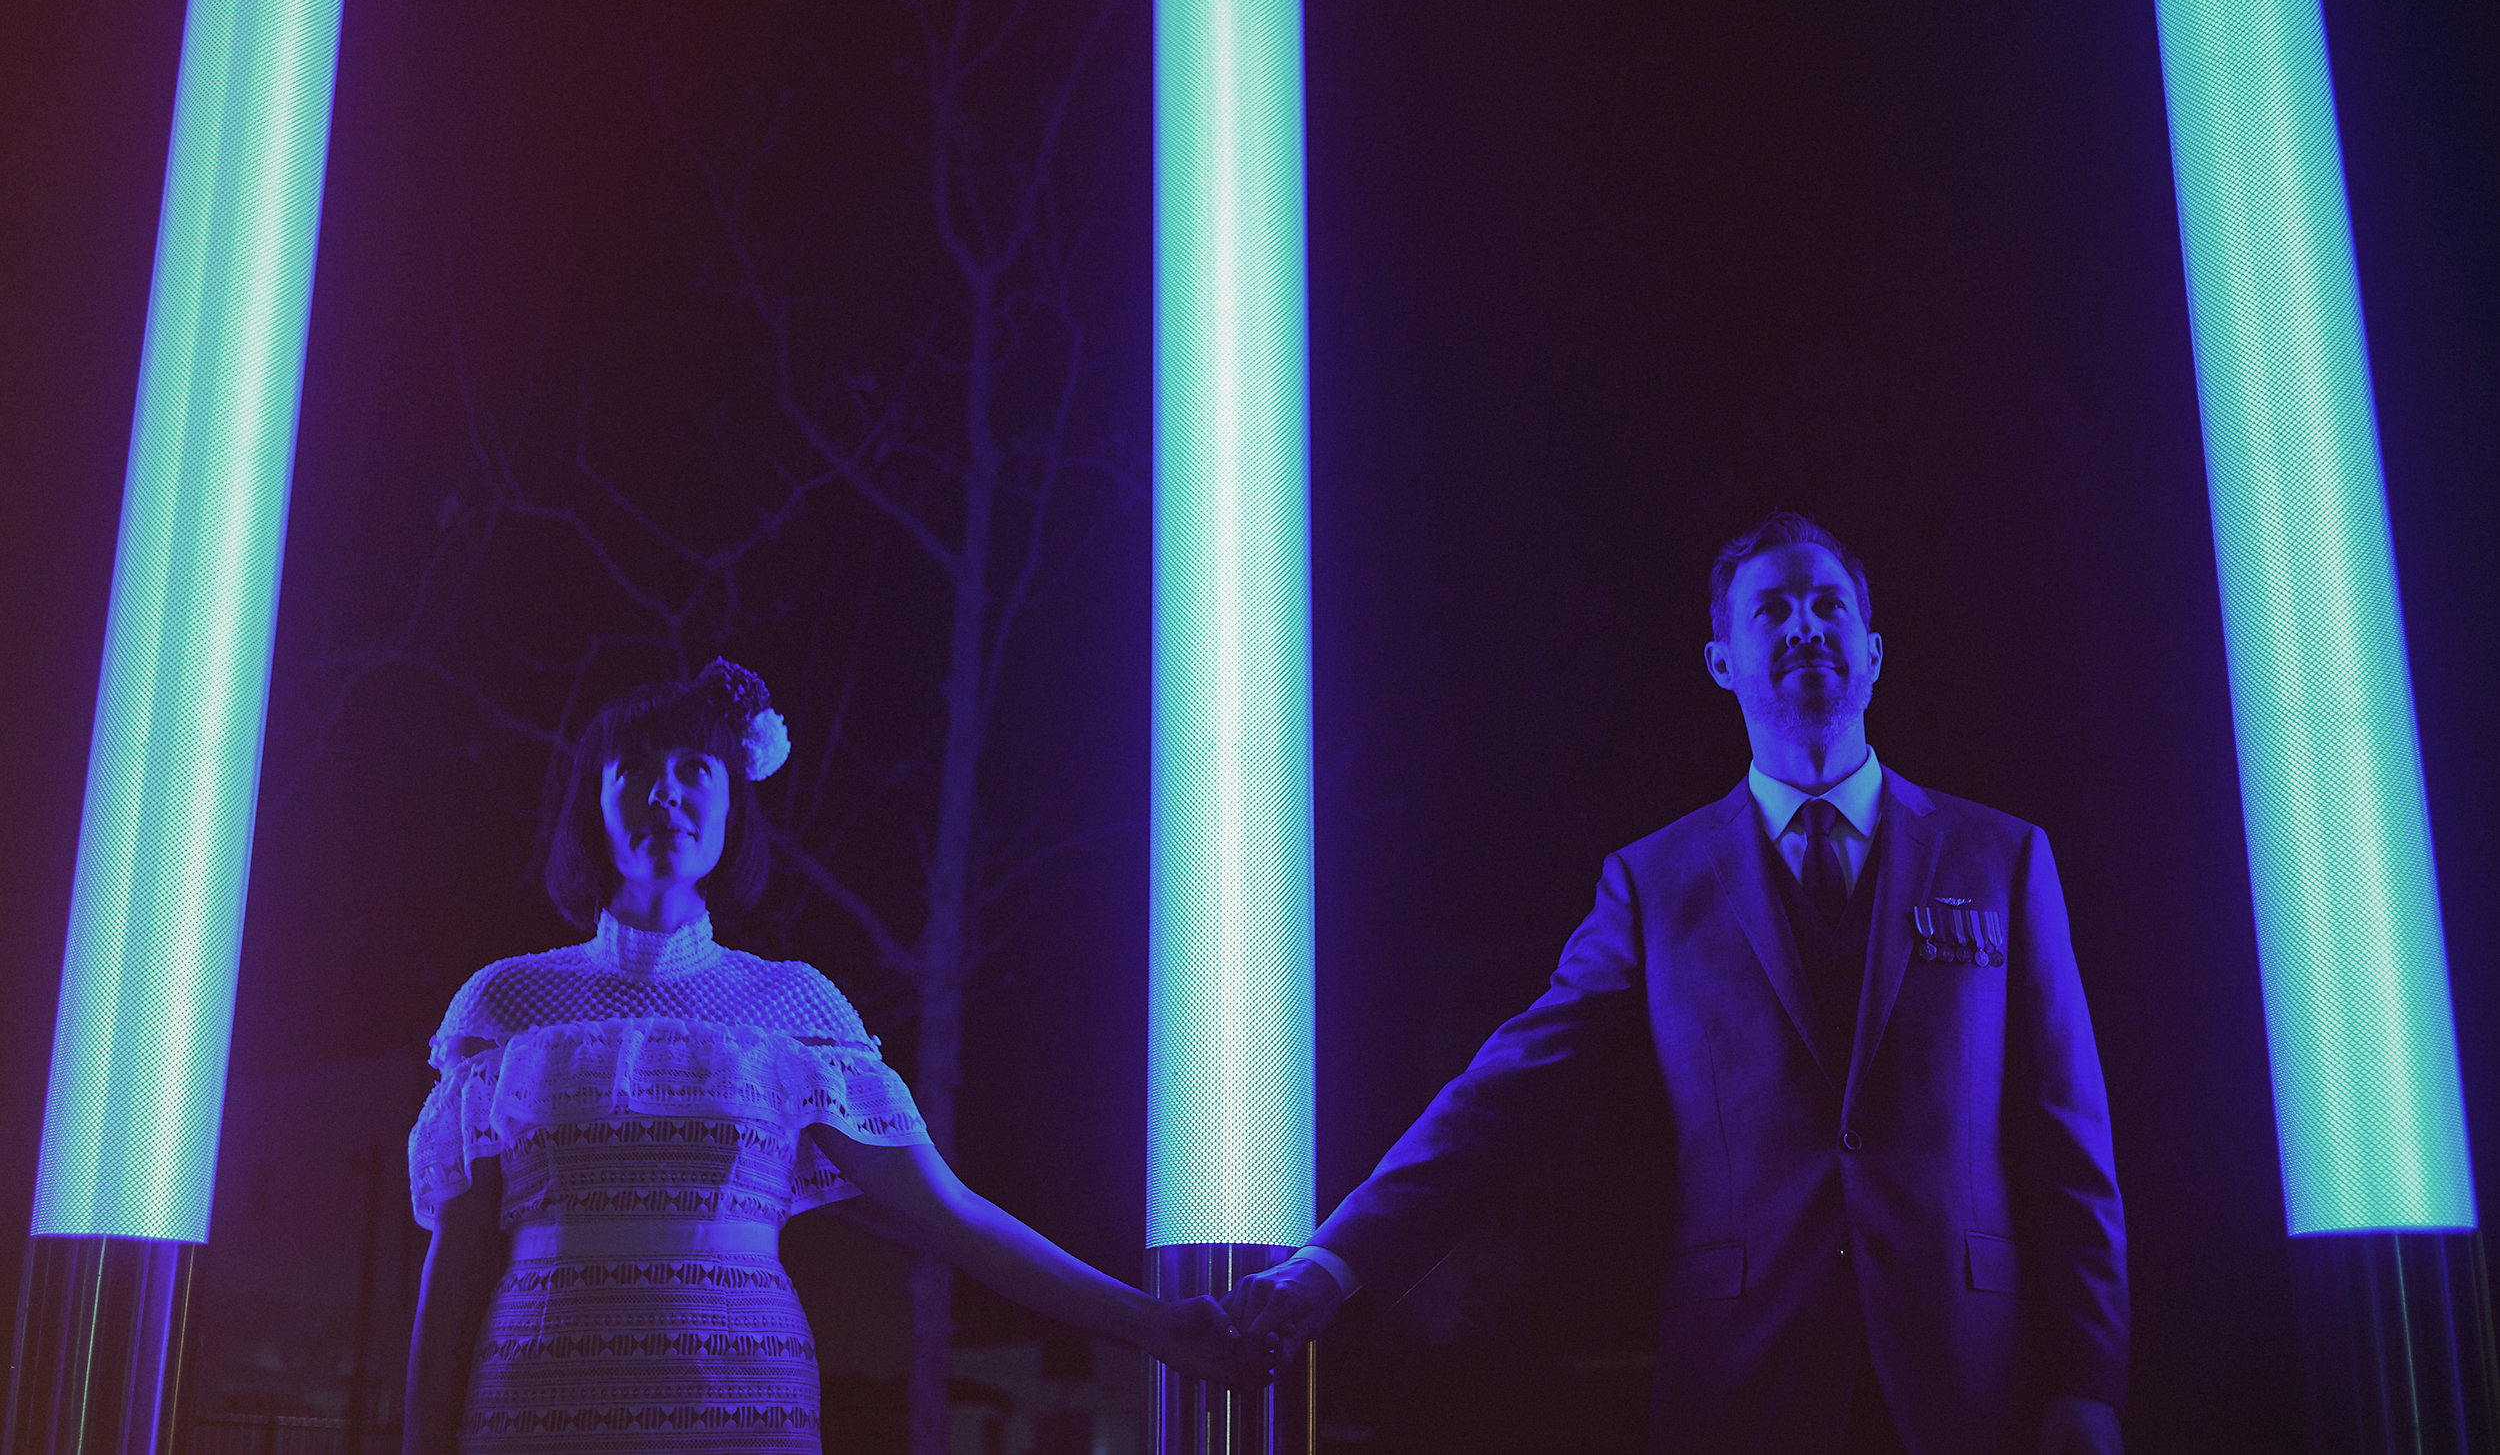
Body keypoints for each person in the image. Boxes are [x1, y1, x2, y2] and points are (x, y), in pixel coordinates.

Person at [1226, 514, 2127, 1455]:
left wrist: (2091, 1382)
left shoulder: (2002, 859)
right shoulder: (1655, 886)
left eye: (1828, 605)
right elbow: (1506, 1094)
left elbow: (2069, 1141)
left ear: (1873, 651)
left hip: (1976, 1379)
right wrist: (1336, 1263)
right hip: (1743, 1386)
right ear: (1722, 662)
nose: (1805, 625)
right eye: (1771, 609)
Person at [404, 660, 1250, 1454]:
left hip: (742, 1402)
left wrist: (1154, 1324)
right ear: (593, 802)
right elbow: (458, 1261)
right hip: (536, 1402)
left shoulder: (792, 1008)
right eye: (634, 766)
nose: (665, 789)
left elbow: (947, 1213)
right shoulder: (504, 1004)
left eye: (695, 766)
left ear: (734, 804)